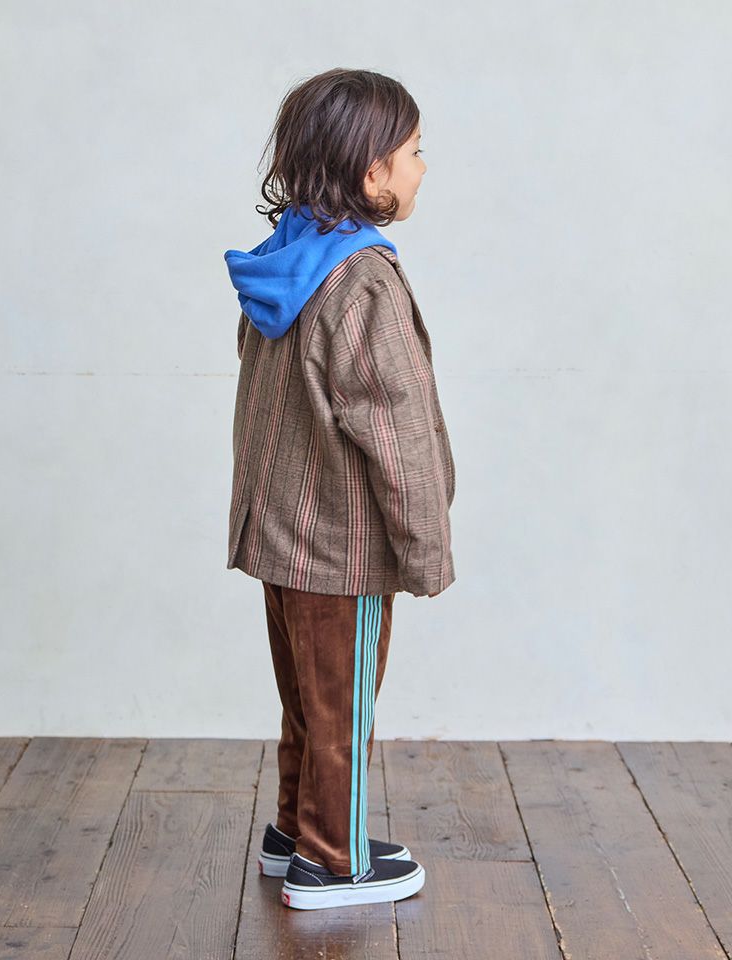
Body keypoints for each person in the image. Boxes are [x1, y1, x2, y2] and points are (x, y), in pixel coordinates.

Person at [223, 67, 456, 910]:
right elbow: (397, 431)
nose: (423, 167)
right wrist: (425, 549)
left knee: (307, 700)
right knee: (342, 709)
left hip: (279, 533)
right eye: (415, 151)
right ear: (371, 172)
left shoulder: (285, 263)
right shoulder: (363, 281)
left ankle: (295, 831)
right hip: (341, 546)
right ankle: (332, 862)